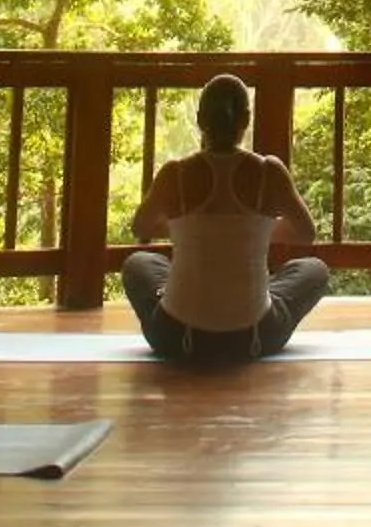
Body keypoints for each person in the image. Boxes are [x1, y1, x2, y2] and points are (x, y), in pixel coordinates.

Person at [122, 74, 331, 364]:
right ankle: (254, 297)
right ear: (246, 119)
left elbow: (141, 227)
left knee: (138, 263)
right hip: (254, 337)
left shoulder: (175, 173)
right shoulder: (270, 171)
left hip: (176, 337)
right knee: (314, 270)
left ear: (199, 119)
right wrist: (249, 233)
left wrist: (194, 232)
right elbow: (305, 234)